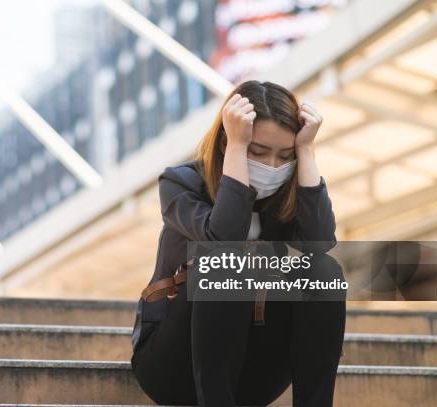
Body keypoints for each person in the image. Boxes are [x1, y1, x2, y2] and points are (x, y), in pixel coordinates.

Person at [130, 80, 346, 407]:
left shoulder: (289, 190)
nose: (272, 166)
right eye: (258, 151)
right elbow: (223, 240)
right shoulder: (181, 184)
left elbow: (319, 243)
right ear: (225, 142)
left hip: (255, 372)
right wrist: (236, 149)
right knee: (227, 264)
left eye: (284, 155)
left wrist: (305, 151)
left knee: (323, 270)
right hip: (175, 366)